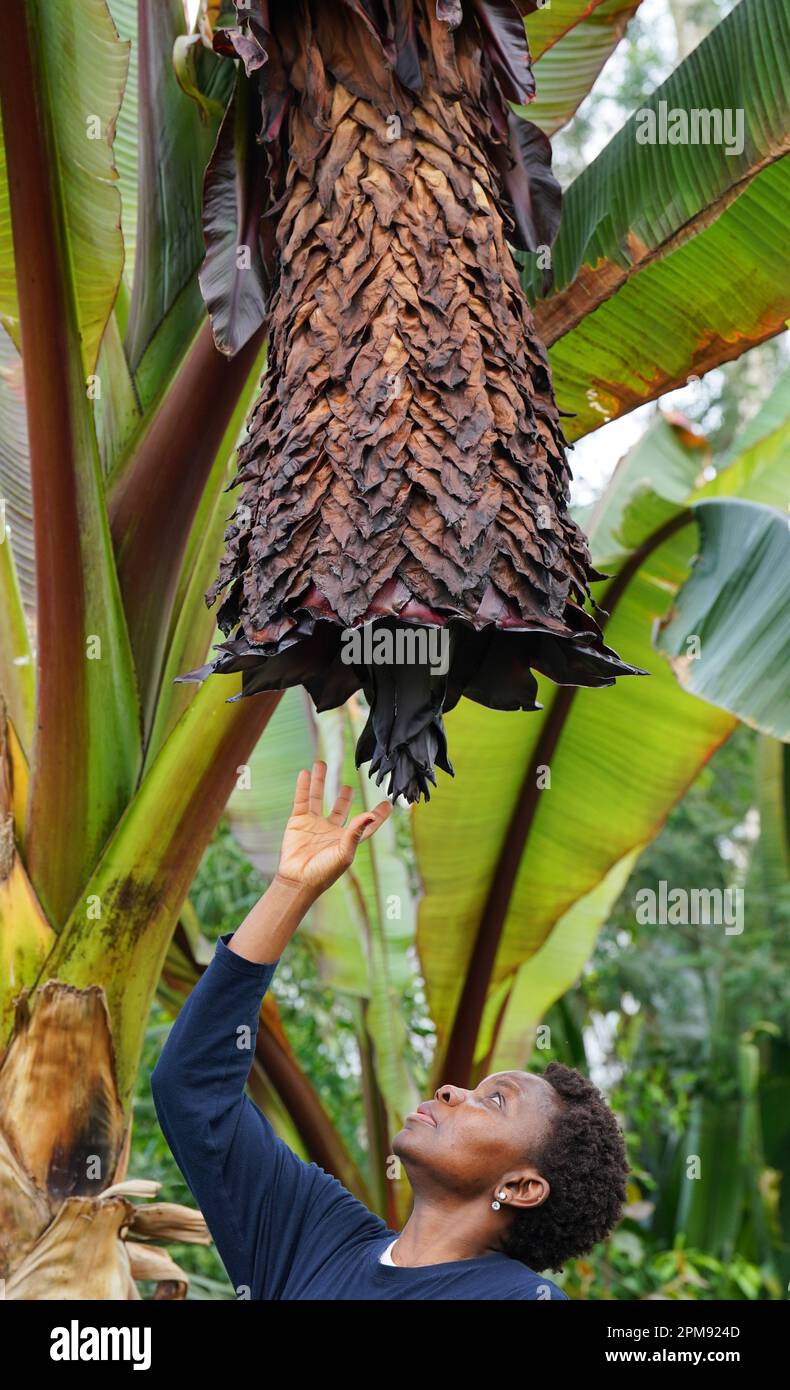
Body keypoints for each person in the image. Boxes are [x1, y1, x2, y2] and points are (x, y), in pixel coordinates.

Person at [151, 760, 629, 1300]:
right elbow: (192, 1090)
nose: (451, 1091)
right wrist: (292, 888)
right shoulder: (316, 1234)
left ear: (521, 1187)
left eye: (495, 1102)